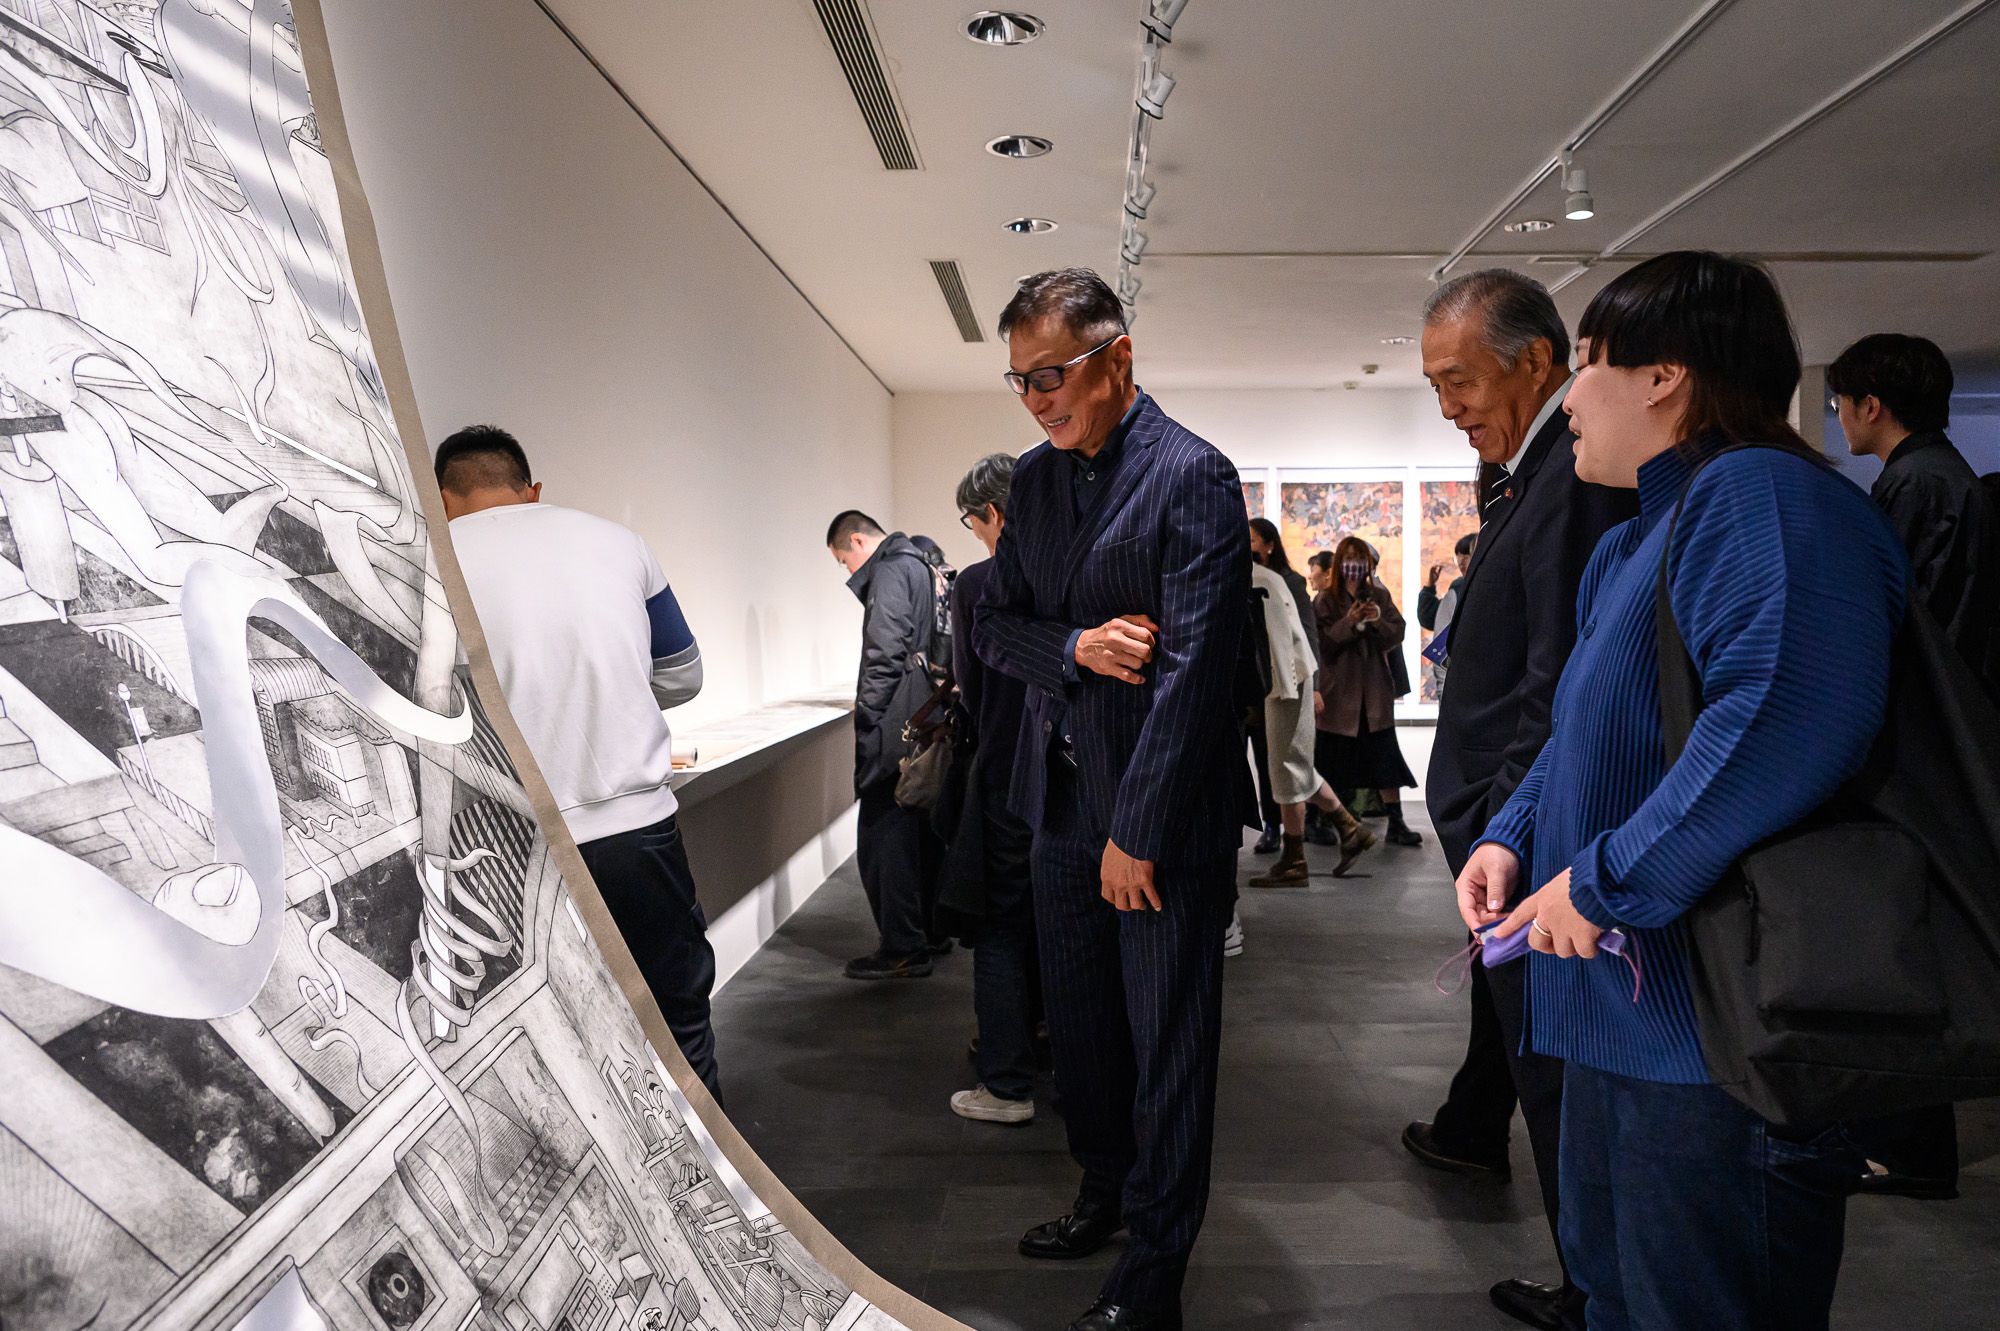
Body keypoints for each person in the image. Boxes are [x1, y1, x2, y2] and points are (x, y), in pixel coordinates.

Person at [1470, 250, 1906, 1330]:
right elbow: (1586, 727)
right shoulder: (1634, 539)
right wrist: (1513, 832)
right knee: (1617, 1294)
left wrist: (1604, 879)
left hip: (1716, 1030)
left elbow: (1782, 716)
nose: (1570, 399)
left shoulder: (1761, 495)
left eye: (1586, 364)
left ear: (1664, 375)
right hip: (1624, 1016)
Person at [973, 267, 1251, 1331]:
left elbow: (1197, 674)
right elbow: (993, 624)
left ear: (1115, 358)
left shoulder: (1193, 474)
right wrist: (1077, 646)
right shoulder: (1035, 483)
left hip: (1156, 822)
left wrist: (1137, 829)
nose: (1036, 398)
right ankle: (1102, 1189)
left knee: (1168, 1046)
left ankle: (1155, 1271)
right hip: (1058, 806)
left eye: (1049, 374)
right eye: (1019, 380)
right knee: (1084, 1031)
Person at [1405, 268, 1637, 1331]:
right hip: (1512, 835)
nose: (1448, 406)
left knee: (1558, 1076)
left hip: (1535, 843)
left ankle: (1594, 1290)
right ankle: (1591, 1278)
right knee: (1536, 1060)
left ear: (1536, 361)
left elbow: (1560, 682)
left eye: (1458, 380)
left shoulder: (1574, 477)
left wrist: (1505, 823)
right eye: (1435, 386)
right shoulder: (1530, 473)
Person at [437, 425, 723, 1102]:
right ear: (531, 489)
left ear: (442, 499)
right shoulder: (619, 542)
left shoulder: (433, 563)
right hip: (635, 831)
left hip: (509, 844)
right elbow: (683, 675)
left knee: (551, 1040)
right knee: (677, 1021)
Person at [1828, 332, 1996, 1200]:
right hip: (1939, 733)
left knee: (1900, 941)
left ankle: (1910, 1146)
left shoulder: (1919, 483)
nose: (1838, 417)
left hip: (1917, 743)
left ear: (1872, 403)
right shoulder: (1941, 476)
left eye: (1841, 402)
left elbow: (1896, 620)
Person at [941, 453, 1041, 1125]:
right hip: (1073, 775)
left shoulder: (979, 582)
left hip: (1006, 768)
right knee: (1060, 922)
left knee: (1001, 926)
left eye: (971, 520)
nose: (974, 532)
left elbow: (973, 689)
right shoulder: (1071, 570)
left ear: (994, 513)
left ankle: (1005, 1083)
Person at [828, 509, 946, 981]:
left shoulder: (892, 569)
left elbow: (885, 650)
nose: (847, 570)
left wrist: (869, 715)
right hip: (926, 710)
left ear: (858, 541)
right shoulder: (921, 562)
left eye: (843, 560)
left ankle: (902, 947)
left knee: (883, 832)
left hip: (897, 718)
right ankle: (929, 933)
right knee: (919, 830)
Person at [1246, 558, 1375, 887]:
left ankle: (1296, 859)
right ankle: (1348, 829)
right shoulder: (1262, 578)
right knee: (1293, 766)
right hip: (1286, 679)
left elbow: (1283, 641)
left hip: (1286, 680)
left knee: (1287, 767)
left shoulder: (1259, 580)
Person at [1311, 538, 1421, 848]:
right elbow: (1321, 644)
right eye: (1348, 559)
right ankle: (1320, 821)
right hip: (1338, 693)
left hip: (1373, 692)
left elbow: (1396, 633)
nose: (1354, 566)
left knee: (1385, 757)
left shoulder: (1379, 596)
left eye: (1360, 559)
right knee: (1329, 759)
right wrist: (1349, 622)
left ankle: (1396, 822)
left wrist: (1375, 620)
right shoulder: (1325, 600)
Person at [1242, 522, 1293, 853]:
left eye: (1253, 540)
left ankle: (1273, 825)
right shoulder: (1233, 579)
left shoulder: (1282, 581)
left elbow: (1297, 637)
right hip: (1239, 687)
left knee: (1268, 761)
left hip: (1266, 687)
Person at [1418, 531, 1476, 694]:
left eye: (1466, 556)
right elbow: (1430, 618)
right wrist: (1429, 587)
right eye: (1458, 557)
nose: (1461, 562)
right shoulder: (1457, 588)